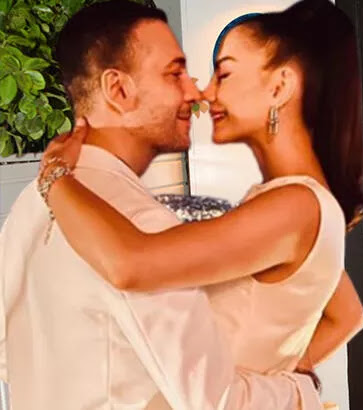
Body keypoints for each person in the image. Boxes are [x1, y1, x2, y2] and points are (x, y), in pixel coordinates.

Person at [0, 1, 325, 408]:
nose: (194, 92)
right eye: (174, 74)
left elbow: (10, 359)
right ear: (118, 90)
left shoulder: (32, 201)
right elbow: (215, 401)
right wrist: (299, 389)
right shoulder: (143, 226)